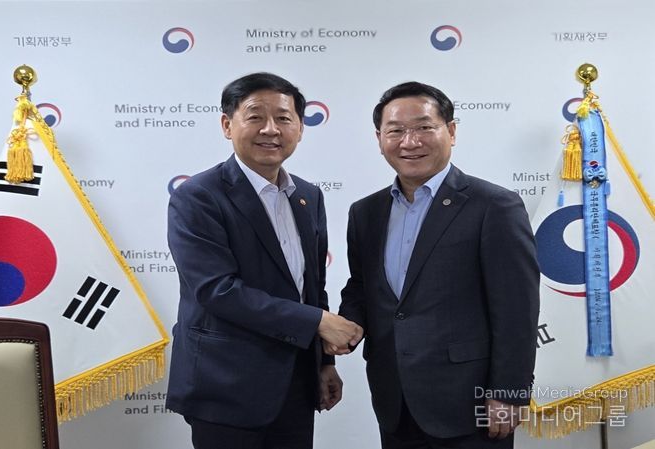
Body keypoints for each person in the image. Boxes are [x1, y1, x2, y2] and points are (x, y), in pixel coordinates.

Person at [337, 82, 540, 449]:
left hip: (470, 403)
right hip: (395, 400)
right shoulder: (365, 212)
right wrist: (345, 327)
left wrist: (509, 392)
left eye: (424, 127)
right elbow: (363, 288)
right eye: (396, 131)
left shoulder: (494, 205)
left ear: (452, 131)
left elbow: (517, 309)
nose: (410, 141)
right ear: (379, 138)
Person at [166, 72, 363, 449]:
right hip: (226, 386)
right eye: (255, 116)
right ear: (227, 125)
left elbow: (311, 286)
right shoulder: (198, 197)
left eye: (284, 118)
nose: (271, 129)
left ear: (300, 128)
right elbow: (216, 290)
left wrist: (324, 363)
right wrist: (318, 322)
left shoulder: (308, 196)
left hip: (296, 382)